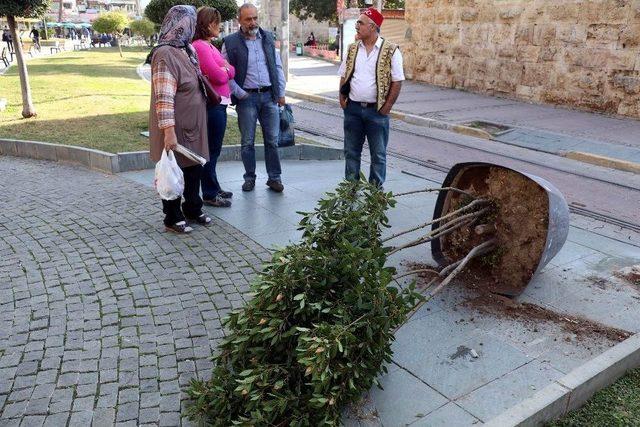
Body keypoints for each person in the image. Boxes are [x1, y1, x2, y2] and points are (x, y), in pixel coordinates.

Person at [147, 5, 211, 234]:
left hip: (193, 124)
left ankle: (193, 208)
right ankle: (172, 217)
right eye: (187, 22)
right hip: (174, 126)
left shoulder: (187, 49)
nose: (190, 27)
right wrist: (168, 131)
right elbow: (163, 98)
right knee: (173, 170)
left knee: (194, 167)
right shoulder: (164, 53)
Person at [222, 3, 286, 193]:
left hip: (269, 96)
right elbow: (225, 72)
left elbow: (277, 67)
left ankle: (274, 178)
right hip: (246, 99)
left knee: (272, 141)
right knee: (247, 142)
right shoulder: (230, 42)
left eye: (255, 18)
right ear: (239, 21)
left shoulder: (267, 37)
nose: (253, 22)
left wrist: (280, 92)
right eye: (248, 19)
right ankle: (249, 178)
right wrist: (239, 93)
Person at [338, 7, 404, 187]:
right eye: (357, 22)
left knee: (378, 155)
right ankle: (350, 190)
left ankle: (375, 194)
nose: (357, 26)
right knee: (351, 152)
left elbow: (397, 81)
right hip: (353, 109)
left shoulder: (391, 50)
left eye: (361, 23)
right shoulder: (352, 49)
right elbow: (344, 73)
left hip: (377, 111)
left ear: (373, 27)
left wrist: (387, 106)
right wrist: (341, 97)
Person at [192, 6, 235, 208]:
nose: (219, 26)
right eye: (217, 23)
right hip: (213, 105)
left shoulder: (209, 45)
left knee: (214, 150)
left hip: (219, 104)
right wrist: (224, 69)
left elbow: (230, 69)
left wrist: (225, 69)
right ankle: (209, 193)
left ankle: (214, 187)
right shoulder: (200, 46)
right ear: (208, 24)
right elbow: (219, 75)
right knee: (210, 151)